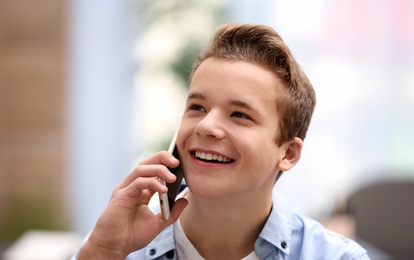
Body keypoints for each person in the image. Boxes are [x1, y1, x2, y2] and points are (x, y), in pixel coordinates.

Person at [72, 23, 369, 259]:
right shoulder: (116, 248)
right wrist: (103, 252)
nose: (206, 125)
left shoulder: (336, 257)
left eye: (239, 115)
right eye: (197, 107)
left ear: (288, 153)